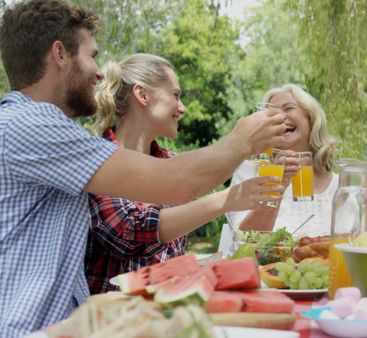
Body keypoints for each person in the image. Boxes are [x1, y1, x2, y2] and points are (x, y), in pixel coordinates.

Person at [0, 1, 286, 336]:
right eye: (91, 55)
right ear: (60, 54)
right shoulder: (31, 124)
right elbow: (178, 184)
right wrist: (242, 141)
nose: (100, 71)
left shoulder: (37, 127)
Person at [85, 53, 282, 294]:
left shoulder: (172, 163)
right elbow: (129, 233)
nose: (183, 108)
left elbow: (167, 259)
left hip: (169, 315)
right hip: (112, 320)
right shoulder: (97, 158)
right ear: (143, 95)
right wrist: (227, 199)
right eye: (176, 95)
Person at [226, 84, 339, 238]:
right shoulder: (248, 172)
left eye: (288, 108)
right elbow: (245, 241)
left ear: (311, 119)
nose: (279, 117)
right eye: (271, 113)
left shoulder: (341, 186)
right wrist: (275, 185)